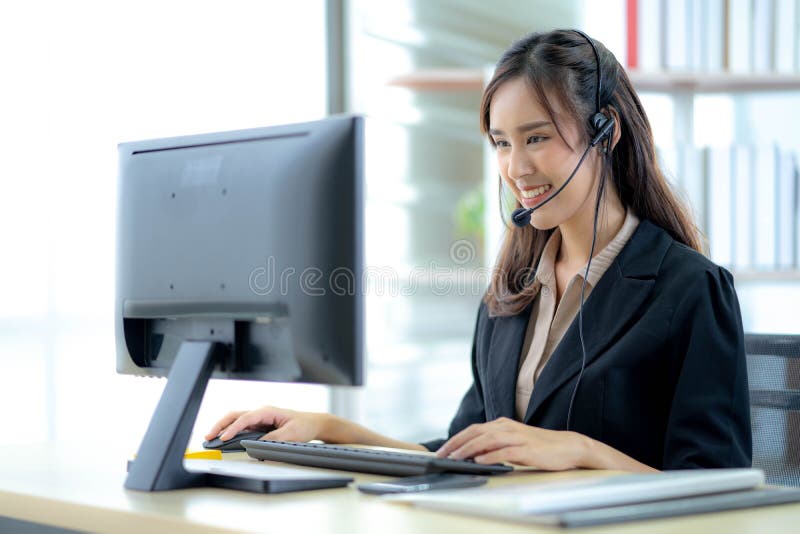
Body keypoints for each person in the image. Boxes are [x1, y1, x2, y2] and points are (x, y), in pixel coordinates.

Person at [206, 29, 751, 472]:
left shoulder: (689, 289)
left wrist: (584, 451)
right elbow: (460, 454)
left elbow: (722, 495)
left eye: (536, 137)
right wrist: (326, 430)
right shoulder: (510, 292)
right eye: (501, 142)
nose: (516, 168)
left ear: (605, 133)